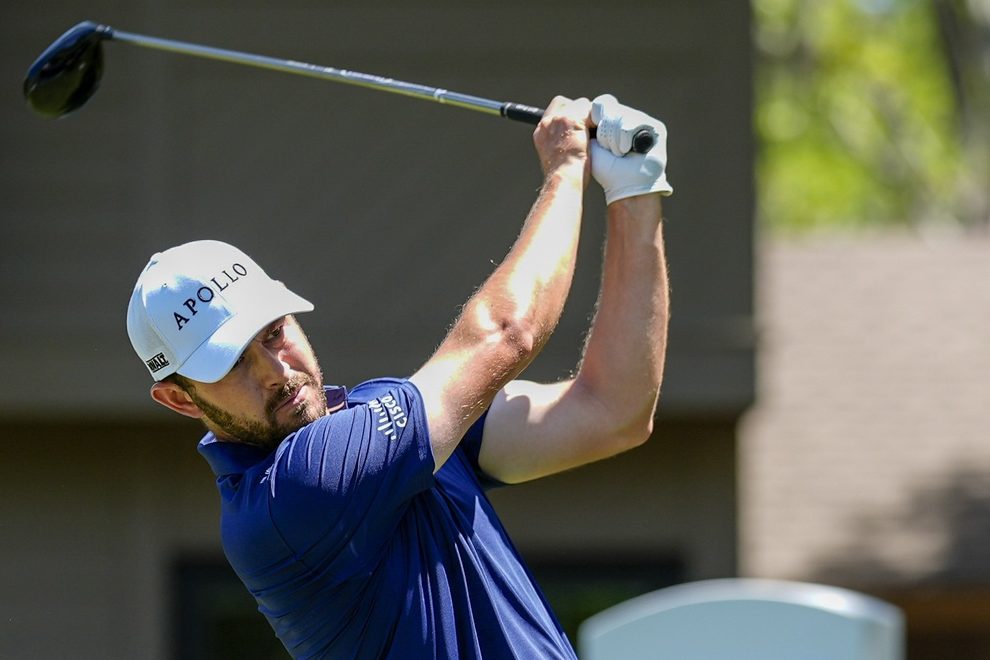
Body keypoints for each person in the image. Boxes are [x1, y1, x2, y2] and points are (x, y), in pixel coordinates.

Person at [126, 94, 672, 659]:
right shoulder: (288, 498)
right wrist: (564, 171)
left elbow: (614, 411)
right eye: (231, 362)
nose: (275, 370)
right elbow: (508, 331)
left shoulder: (389, 425)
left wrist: (636, 193)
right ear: (179, 399)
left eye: (273, 333)